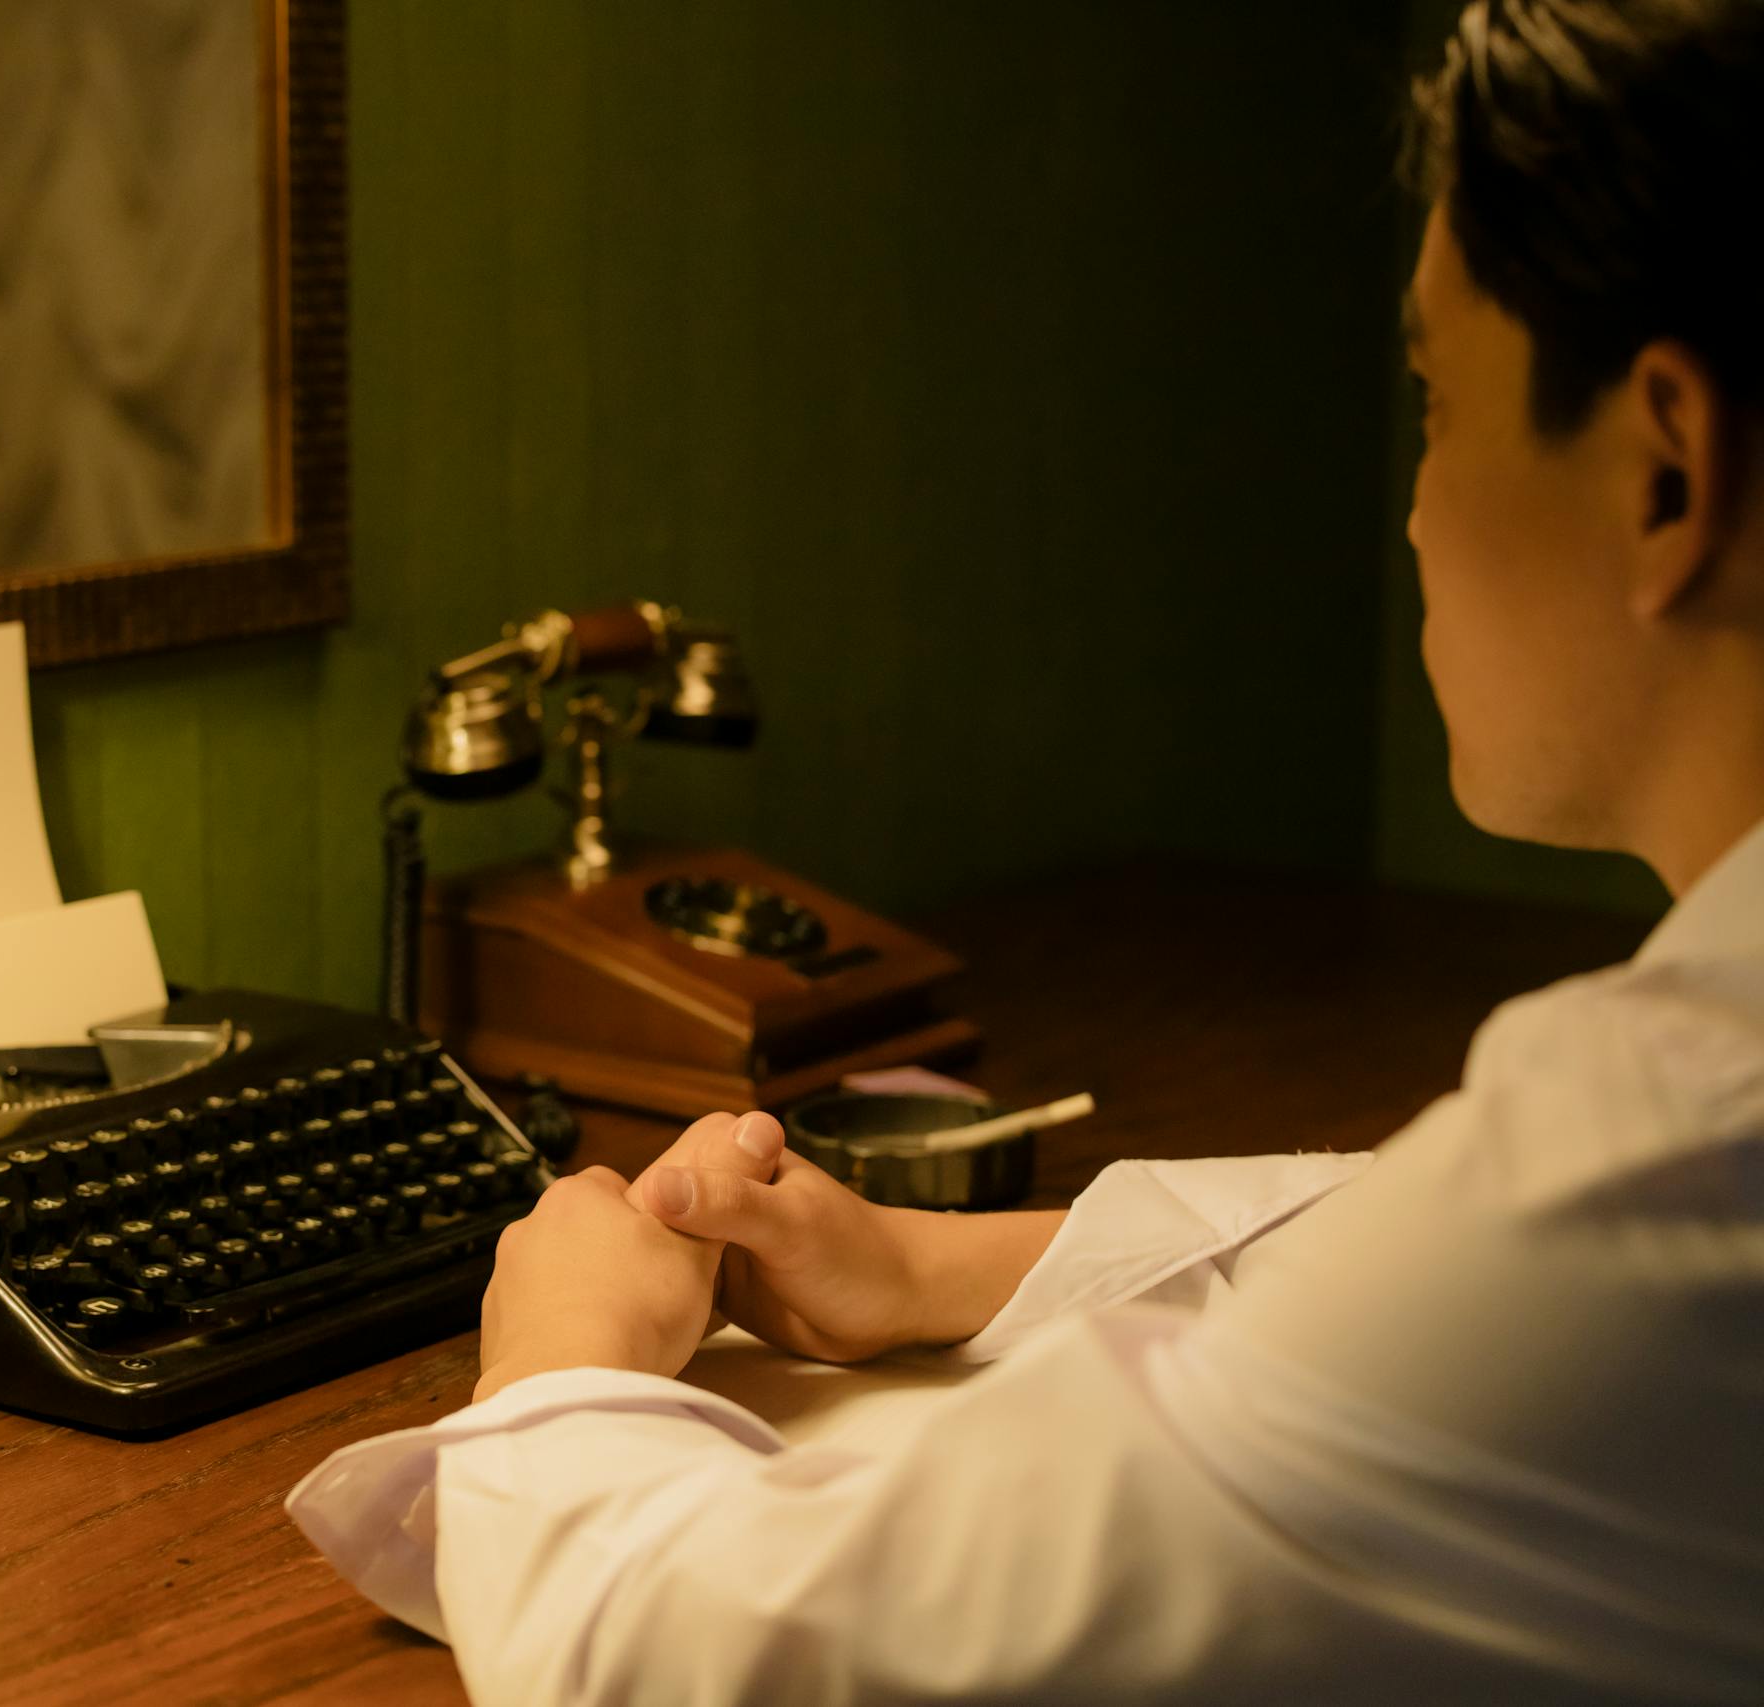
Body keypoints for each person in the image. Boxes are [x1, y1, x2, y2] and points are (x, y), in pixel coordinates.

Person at [285, 1, 1764, 1700]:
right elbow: (1431, 1232)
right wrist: (941, 1263)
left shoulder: (1680, 1155)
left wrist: (558, 1366)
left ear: (1665, 469)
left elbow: (742, 1659)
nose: (1418, 512)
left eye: (1436, 400)